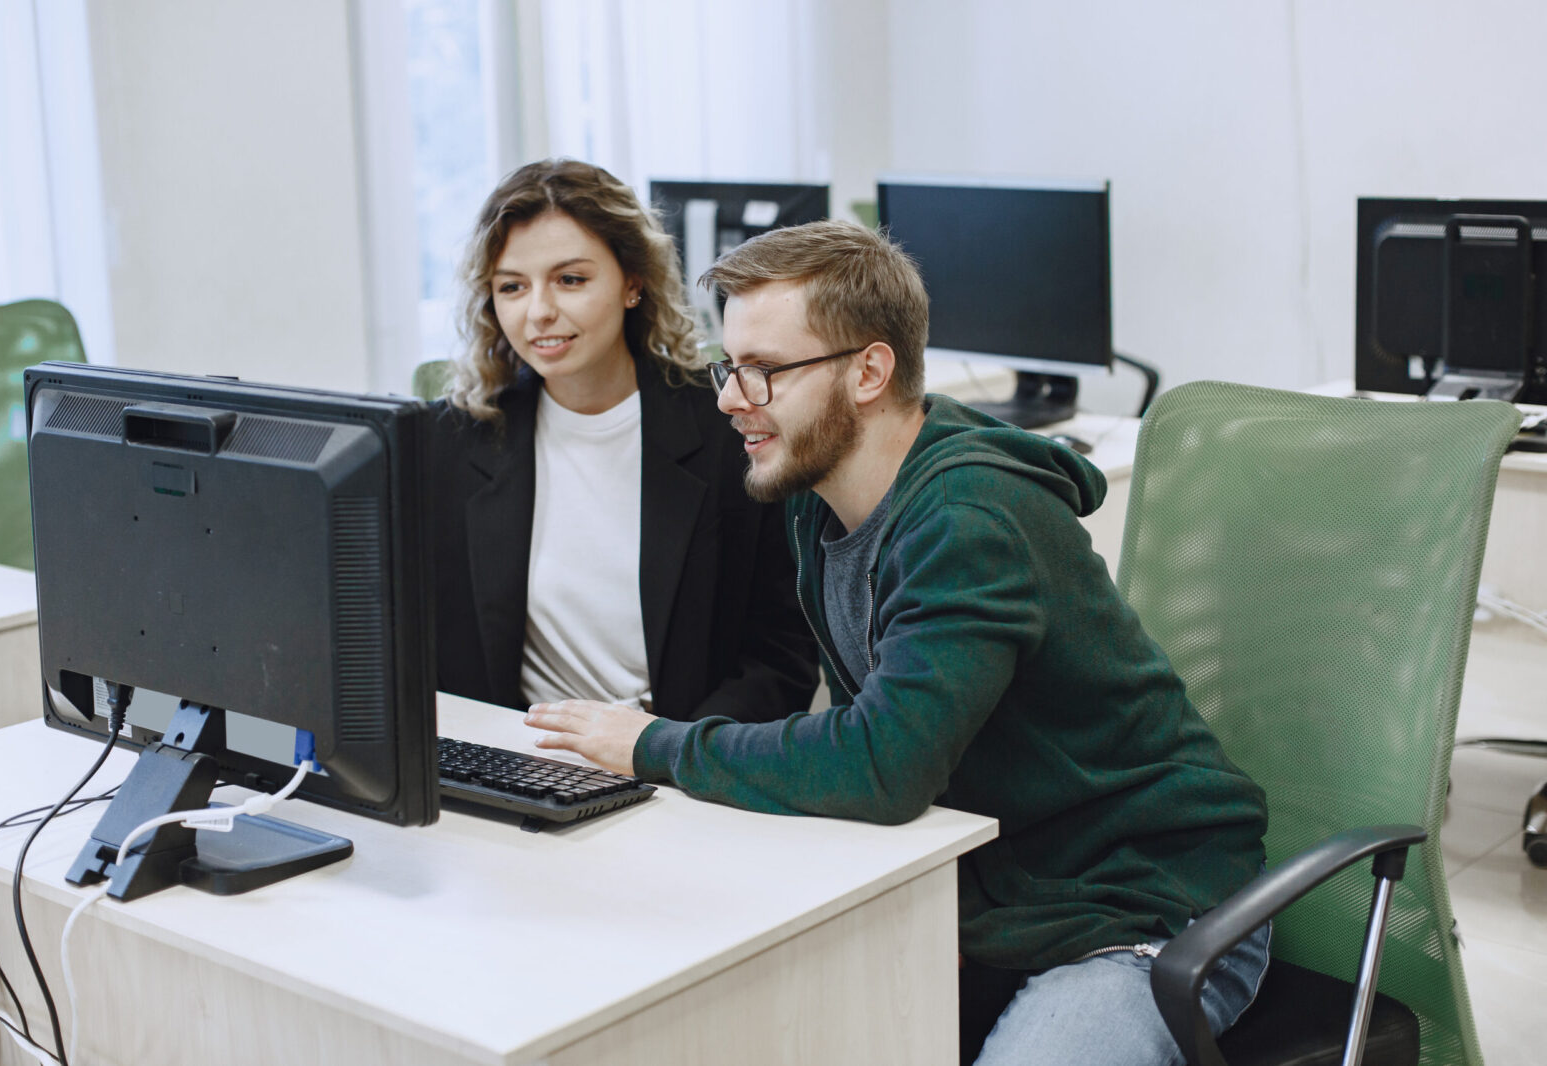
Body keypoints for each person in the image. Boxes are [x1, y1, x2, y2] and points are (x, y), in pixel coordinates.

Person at [522, 220, 1270, 1064]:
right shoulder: (819, 493)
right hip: (1001, 898)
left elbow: (883, 765)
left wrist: (658, 745)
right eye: (731, 366)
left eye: (765, 370)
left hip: (1149, 911)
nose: (731, 397)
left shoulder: (969, 519)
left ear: (870, 372)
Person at [429, 159, 817, 726]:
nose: (539, 311)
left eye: (571, 280)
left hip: (683, 766)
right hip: (521, 765)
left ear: (632, 282)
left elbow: (783, 656)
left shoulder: (729, 430)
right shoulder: (453, 443)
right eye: (512, 286)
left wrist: (667, 753)